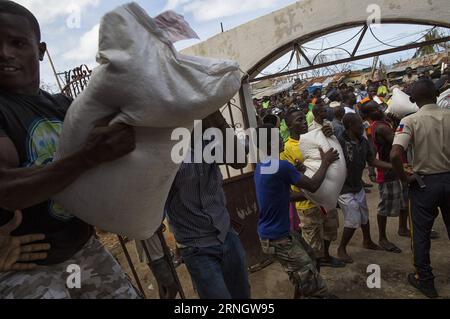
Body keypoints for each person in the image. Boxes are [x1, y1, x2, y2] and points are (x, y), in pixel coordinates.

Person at [0, 1, 140, 299]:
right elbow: (6, 190)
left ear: (40, 50)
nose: (4, 53)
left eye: (17, 43)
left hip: (83, 247)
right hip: (23, 267)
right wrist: (86, 158)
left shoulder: (65, 107)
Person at [165, 111, 251, 300]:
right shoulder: (163, 149)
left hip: (226, 234)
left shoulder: (207, 139)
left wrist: (214, 115)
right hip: (195, 246)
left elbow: (238, 160)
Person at [254, 123, 340, 298]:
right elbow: (313, 185)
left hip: (279, 233)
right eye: (278, 136)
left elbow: (288, 196)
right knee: (316, 287)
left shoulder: (262, 165)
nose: (282, 139)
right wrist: (325, 162)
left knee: (312, 262)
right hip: (278, 238)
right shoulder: (279, 166)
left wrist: (313, 190)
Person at [390, 79, 450, 298]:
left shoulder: (410, 120)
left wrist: (405, 178)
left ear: (413, 100)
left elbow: (395, 154)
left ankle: (425, 280)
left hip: (424, 184)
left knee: (421, 234)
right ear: (436, 94)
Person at [281, 109, 344, 268]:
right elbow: (291, 177)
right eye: (298, 120)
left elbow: (331, 151)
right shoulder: (287, 149)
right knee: (312, 242)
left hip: (326, 198)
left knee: (330, 232)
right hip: (307, 203)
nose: (303, 123)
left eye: (304, 119)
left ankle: (326, 257)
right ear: (289, 125)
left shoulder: (314, 136)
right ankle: (315, 271)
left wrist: (329, 134)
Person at [336, 113, 394, 263]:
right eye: (358, 124)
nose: (362, 126)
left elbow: (372, 160)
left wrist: (392, 166)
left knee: (364, 214)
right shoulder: (340, 141)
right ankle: (341, 247)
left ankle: (367, 240)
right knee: (353, 218)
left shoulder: (362, 141)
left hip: (357, 185)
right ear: (349, 126)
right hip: (343, 187)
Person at [360, 102, 408, 253]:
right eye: (373, 109)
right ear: (367, 115)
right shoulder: (380, 127)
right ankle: (382, 238)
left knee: (404, 201)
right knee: (384, 207)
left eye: (378, 107)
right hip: (389, 172)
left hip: (397, 169)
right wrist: (401, 125)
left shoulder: (382, 123)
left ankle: (402, 227)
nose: (378, 110)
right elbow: (399, 142)